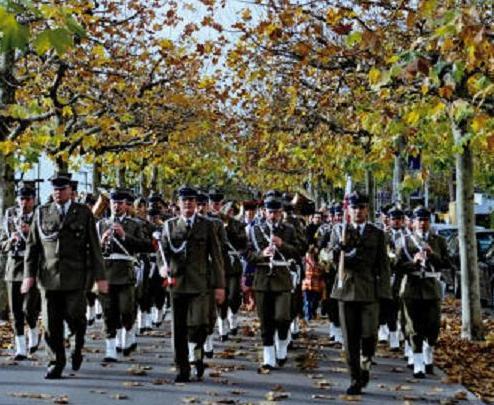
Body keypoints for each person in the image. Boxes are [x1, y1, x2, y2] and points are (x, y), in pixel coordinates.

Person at [22, 172, 108, 379]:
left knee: (76, 318)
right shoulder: (42, 213)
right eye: (55, 189)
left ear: (71, 190)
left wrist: (100, 277)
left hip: (75, 278)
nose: (58, 192)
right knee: (51, 323)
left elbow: (95, 248)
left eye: (62, 188)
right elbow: (32, 247)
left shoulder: (83, 213)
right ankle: (55, 362)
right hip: (48, 277)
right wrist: (28, 276)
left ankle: (77, 344)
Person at [158, 186, 225, 382]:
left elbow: (217, 257)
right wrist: (163, 268)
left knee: (200, 324)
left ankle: (196, 354)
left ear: (196, 204)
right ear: (178, 204)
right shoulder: (169, 226)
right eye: (184, 201)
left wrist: (219, 285)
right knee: (179, 328)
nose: (188, 204)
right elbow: (162, 252)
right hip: (177, 282)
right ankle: (182, 367)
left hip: (200, 283)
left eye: (191, 201)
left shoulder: (207, 225)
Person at [330, 191, 391, 395]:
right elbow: (327, 258)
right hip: (345, 288)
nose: (358, 211)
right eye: (354, 208)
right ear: (349, 210)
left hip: (368, 290)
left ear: (367, 210)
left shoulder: (376, 233)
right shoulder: (339, 230)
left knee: (369, 334)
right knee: (350, 339)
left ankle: (366, 361)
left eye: (362, 208)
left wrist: (385, 295)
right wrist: (337, 250)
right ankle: (355, 377)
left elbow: (383, 265)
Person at [97, 189, 152, 361]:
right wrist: (102, 241)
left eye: (120, 203)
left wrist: (124, 235)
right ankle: (111, 349)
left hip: (125, 272)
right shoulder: (101, 224)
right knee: (108, 311)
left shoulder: (135, 224)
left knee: (127, 309)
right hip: (106, 272)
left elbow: (146, 246)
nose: (116, 206)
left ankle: (128, 333)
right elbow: (93, 249)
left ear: (126, 205)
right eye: (113, 202)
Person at [396, 206, 450, 378]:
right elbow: (396, 266)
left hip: (431, 288)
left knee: (433, 326)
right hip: (411, 288)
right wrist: (414, 261)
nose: (422, 223)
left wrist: (432, 255)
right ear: (412, 223)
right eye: (419, 220)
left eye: (425, 220)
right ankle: (418, 362)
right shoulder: (404, 241)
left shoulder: (438, 240)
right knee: (414, 327)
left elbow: (447, 264)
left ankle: (428, 353)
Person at [247, 195, 299, 369]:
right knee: (266, 319)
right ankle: (268, 354)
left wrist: (282, 244)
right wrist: (261, 254)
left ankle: (282, 342)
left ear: (281, 213)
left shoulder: (289, 230)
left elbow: (299, 251)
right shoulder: (255, 230)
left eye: (277, 212)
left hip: (283, 277)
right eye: (270, 212)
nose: (273, 215)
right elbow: (247, 255)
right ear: (265, 212)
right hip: (262, 278)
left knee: (283, 316)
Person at [1, 181, 41, 359]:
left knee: (29, 308)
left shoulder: (40, 215)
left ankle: (33, 331)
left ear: (33, 200)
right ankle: (20, 347)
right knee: (15, 309)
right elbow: (2, 242)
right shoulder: (10, 215)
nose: (23, 203)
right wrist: (10, 241)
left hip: (32, 265)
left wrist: (28, 233)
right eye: (21, 199)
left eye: (27, 199)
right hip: (14, 265)